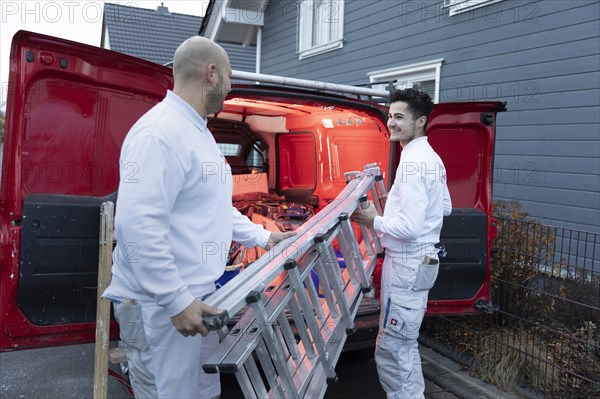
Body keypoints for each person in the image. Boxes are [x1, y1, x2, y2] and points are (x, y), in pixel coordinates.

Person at [103, 36, 294, 399]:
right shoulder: (159, 134)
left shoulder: (198, 130)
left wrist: (263, 237)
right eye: (228, 76)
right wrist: (175, 299)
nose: (230, 86)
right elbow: (137, 226)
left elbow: (210, 207)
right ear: (211, 74)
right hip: (160, 307)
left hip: (196, 297)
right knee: (168, 392)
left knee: (200, 390)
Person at [352, 88, 452, 399]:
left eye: (400, 117)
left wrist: (373, 220)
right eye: (390, 116)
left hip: (408, 263)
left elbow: (409, 227)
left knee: (392, 351)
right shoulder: (430, 157)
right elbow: (444, 206)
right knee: (404, 345)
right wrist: (394, 202)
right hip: (419, 263)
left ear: (420, 121)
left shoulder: (412, 163)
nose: (392, 123)